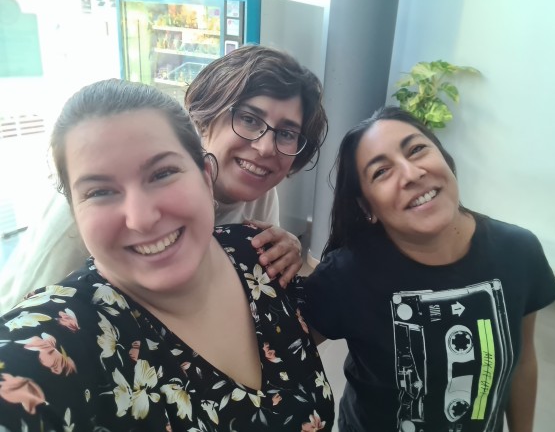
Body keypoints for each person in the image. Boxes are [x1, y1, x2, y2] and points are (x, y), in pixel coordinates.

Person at [0, 79, 334, 431]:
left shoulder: (254, 251)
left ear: (205, 176)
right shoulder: (64, 333)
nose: (141, 219)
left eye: (162, 173)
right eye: (99, 192)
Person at [0, 45, 327, 313]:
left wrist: (284, 249)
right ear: (206, 115)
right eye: (249, 119)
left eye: (287, 133)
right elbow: (19, 316)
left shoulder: (260, 195)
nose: (265, 147)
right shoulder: (87, 209)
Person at [294, 106, 555, 432]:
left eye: (417, 149)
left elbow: (522, 360)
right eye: (381, 171)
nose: (411, 174)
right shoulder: (345, 275)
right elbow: (278, 357)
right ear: (367, 208)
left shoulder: (518, 252)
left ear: (445, 160)